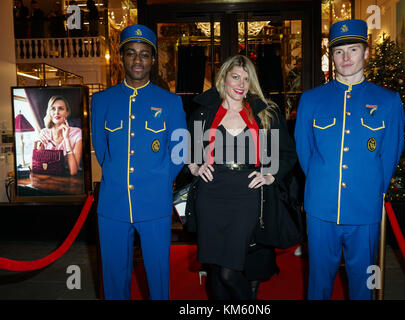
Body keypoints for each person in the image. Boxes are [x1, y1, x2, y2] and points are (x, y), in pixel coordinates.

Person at [294, 19, 405, 300]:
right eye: (339, 52)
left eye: (353, 50)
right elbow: (305, 154)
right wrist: (324, 180)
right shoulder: (311, 99)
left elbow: (389, 156)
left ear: (366, 53)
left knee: (364, 284)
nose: (346, 58)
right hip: (321, 207)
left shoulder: (388, 101)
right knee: (318, 282)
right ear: (331, 55)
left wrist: (370, 187)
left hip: (365, 208)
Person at [187, 54, 297, 300]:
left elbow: (287, 154)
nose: (240, 84)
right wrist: (194, 167)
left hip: (247, 194)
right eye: (235, 77)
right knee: (215, 268)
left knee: (229, 270)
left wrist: (271, 175)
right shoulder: (204, 112)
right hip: (211, 193)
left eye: (246, 79)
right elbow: (191, 152)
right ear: (223, 78)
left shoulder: (265, 113)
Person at [91, 24, 187, 300]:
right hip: (113, 203)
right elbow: (102, 148)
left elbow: (180, 149)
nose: (137, 60)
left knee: (158, 275)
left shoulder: (169, 102)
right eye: (131, 53)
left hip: (154, 202)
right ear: (121, 57)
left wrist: (160, 179)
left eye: (144, 54)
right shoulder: (101, 101)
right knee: (113, 275)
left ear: (153, 60)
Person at [34, 96, 82, 176]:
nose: (56, 112)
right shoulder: (44, 132)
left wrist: (66, 139)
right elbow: (37, 168)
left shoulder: (77, 133)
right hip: (49, 178)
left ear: (67, 113)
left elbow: (73, 171)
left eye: (61, 108)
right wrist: (35, 145)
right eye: (53, 108)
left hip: (70, 180)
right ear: (49, 112)